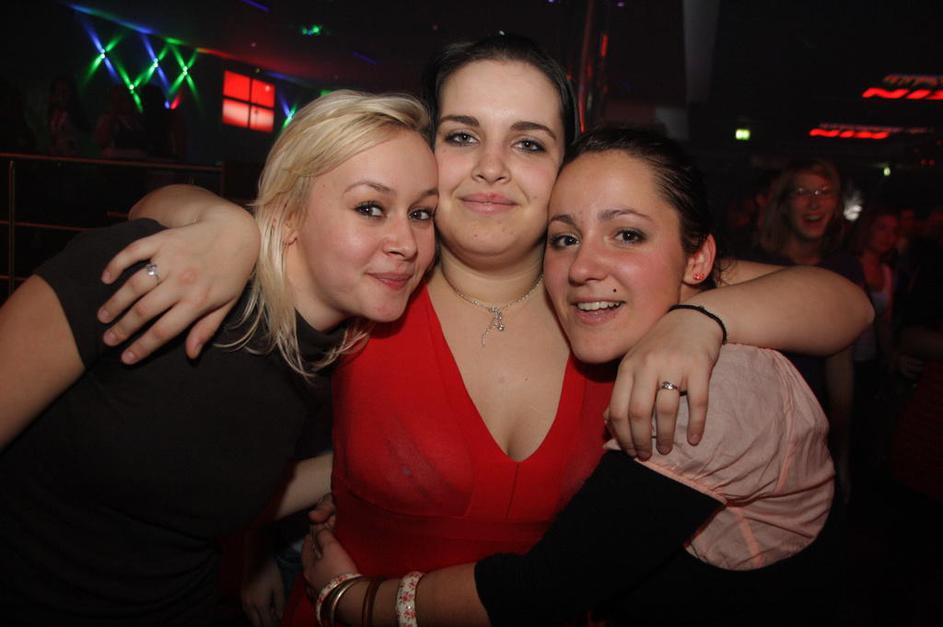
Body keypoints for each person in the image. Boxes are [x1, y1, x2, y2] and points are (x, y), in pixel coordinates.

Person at [94, 36, 871, 627]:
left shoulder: (609, 296)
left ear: (565, 164)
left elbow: (845, 304)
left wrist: (702, 318)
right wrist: (228, 229)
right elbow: (154, 218)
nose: (492, 167)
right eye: (462, 135)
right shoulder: (380, 276)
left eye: (528, 142)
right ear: (427, 151)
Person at [305, 126, 842, 627]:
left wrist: (348, 597)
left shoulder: (707, 388)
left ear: (697, 260)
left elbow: (540, 590)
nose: (583, 267)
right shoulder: (638, 348)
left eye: (627, 234)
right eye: (565, 239)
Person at [0, 90, 438, 624]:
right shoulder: (157, 274)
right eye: (370, 208)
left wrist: (357, 477)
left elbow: (214, 476)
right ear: (288, 212)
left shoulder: (337, 354)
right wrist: (224, 222)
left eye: (422, 213)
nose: (407, 242)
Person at [749, 158, 865, 496]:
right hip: (759, 424)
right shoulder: (754, 263)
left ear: (836, 203)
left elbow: (841, 364)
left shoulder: (844, 268)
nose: (814, 202)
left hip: (815, 426)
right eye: (802, 192)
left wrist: (841, 452)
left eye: (824, 192)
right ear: (784, 204)